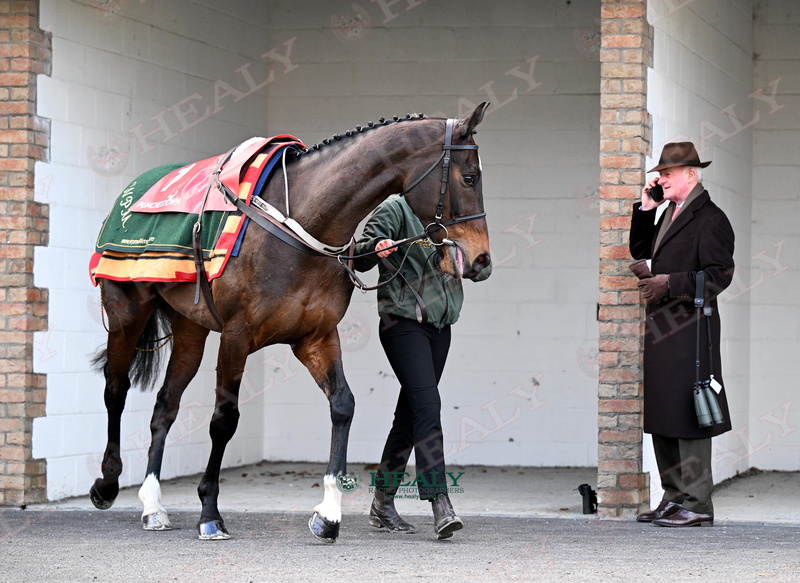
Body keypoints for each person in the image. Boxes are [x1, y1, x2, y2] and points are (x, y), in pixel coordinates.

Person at [353, 194, 491, 539]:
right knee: (429, 406)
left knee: (411, 417)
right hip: (402, 323)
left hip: (440, 327)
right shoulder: (395, 208)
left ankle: (382, 503)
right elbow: (359, 256)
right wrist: (378, 245)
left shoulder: (454, 215)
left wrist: (464, 257)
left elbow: (484, 266)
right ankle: (439, 501)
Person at [629, 142, 735, 528]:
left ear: (691, 174)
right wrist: (646, 208)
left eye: (668, 174)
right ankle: (674, 497)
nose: (661, 179)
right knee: (663, 412)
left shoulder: (711, 218)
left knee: (690, 416)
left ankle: (698, 502)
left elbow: (719, 274)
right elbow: (639, 248)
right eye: (660, 175)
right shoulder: (668, 213)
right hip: (662, 330)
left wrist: (669, 284)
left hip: (692, 330)